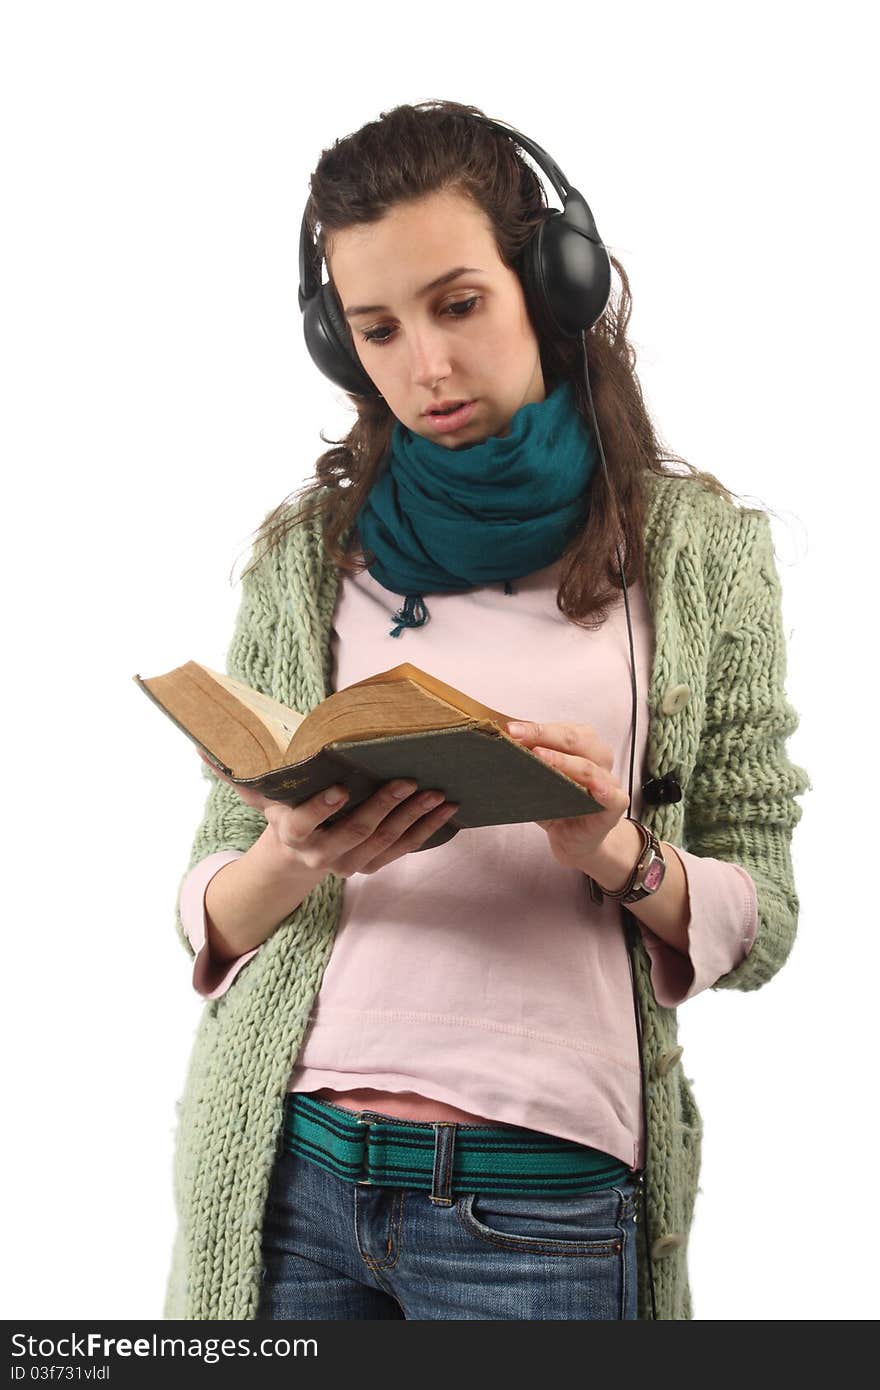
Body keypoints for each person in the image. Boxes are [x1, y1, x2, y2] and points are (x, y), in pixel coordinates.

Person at [164, 99, 810, 1322]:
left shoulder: (702, 558)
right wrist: (290, 854)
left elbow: (761, 914)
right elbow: (212, 888)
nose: (425, 367)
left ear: (553, 285)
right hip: (290, 1175)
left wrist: (611, 847)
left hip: (542, 1200)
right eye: (376, 329)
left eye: (457, 305)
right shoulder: (310, 556)